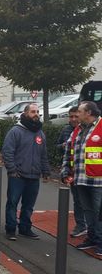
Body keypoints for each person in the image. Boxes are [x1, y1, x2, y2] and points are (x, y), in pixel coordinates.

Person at [3, 103, 51, 241]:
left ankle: (25, 228)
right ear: (25, 114)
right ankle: (11, 229)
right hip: (18, 175)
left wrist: (46, 171)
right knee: (12, 202)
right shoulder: (16, 131)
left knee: (29, 205)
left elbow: (43, 154)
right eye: (32, 112)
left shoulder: (40, 133)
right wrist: (12, 170)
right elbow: (8, 151)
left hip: (34, 176)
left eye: (37, 112)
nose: (36, 114)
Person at [61, 101, 102, 256]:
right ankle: (92, 237)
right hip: (81, 179)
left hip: (98, 180)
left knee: (99, 212)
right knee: (89, 211)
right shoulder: (78, 130)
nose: (77, 115)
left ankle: (101, 241)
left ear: (89, 113)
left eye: (79, 111)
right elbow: (68, 152)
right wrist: (66, 171)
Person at [56, 106, 87, 237]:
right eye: (71, 116)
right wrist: (63, 146)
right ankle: (80, 225)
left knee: (91, 202)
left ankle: (93, 227)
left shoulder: (87, 130)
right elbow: (57, 147)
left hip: (88, 173)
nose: (73, 119)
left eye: (76, 116)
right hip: (73, 173)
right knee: (78, 201)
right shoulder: (66, 130)